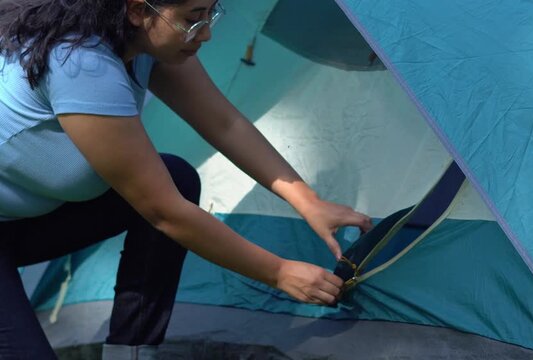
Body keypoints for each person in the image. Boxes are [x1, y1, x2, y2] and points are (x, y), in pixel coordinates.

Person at [0, 0, 373, 358]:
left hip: (25, 224)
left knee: (177, 178)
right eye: (194, 17)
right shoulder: (81, 65)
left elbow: (226, 125)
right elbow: (164, 212)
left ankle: (131, 352)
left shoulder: (140, 43)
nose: (206, 32)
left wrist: (309, 202)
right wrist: (280, 273)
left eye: (212, 12)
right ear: (136, 10)